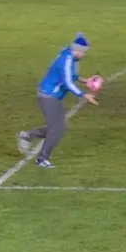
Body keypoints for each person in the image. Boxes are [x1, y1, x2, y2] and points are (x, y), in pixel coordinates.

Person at [18, 33, 99, 169]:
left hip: (52, 96)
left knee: (57, 128)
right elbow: (67, 82)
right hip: (48, 96)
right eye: (84, 52)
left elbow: (70, 75)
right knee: (57, 129)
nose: (84, 55)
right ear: (78, 50)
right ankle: (41, 159)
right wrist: (84, 95)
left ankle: (27, 136)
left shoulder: (69, 57)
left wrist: (83, 80)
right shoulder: (66, 60)